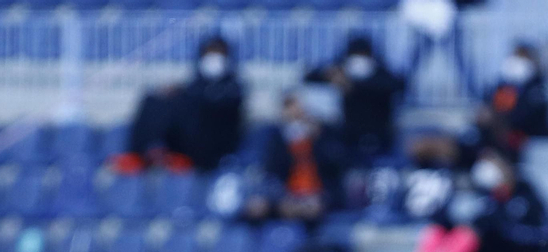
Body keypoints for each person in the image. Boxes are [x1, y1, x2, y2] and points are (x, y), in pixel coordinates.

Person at [118, 36, 246, 175]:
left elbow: (218, 106)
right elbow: (193, 94)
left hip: (214, 147)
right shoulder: (196, 83)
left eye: (218, 54)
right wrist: (177, 93)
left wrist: (187, 95)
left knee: (187, 107)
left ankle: (165, 153)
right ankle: (147, 151)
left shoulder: (234, 87)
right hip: (187, 139)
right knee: (154, 101)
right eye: (210, 54)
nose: (214, 59)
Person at [244, 93, 347, 228]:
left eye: (299, 108)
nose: (295, 112)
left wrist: (318, 139)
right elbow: (272, 170)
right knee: (261, 207)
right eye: (290, 108)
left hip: (318, 192)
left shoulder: (325, 134)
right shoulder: (276, 137)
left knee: (312, 208)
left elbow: (335, 167)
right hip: (287, 193)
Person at [306, 35, 406, 161]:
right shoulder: (343, 71)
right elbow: (310, 76)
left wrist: (354, 85)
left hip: (380, 135)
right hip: (349, 137)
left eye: (362, 55)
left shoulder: (381, 74)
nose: (358, 60)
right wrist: (330, 74)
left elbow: (396, 85)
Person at [476, 44, 548, 161]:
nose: (517, 62)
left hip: (525, 138)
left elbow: (529, 116)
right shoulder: (501, 85)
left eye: (522, 58)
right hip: (496, 136)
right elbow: (488, 106)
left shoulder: (538, 88)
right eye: (515, 57)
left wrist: (499, 118)